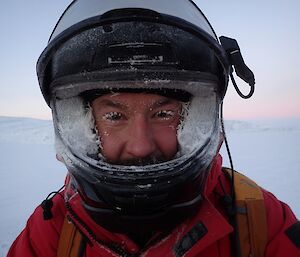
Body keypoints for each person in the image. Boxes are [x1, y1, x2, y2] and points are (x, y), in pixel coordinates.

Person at [7, 0, 300, 256]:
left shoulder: (260, 219)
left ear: (193, 119)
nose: (140, 145)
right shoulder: (53, 230)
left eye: (163, 113)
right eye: (114, 116)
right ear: (83, 123)